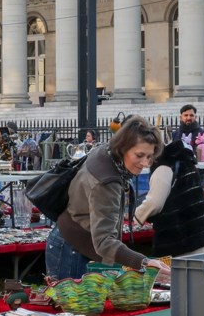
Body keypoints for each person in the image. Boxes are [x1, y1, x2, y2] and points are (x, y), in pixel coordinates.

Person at [46, 115, 171, 282]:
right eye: (139, 155)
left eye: (149, 156)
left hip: (71, 240)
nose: (146, 163)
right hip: (73, 248)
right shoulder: (106, 181)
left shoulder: (108, 153)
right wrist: (144, 262)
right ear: (124, 148)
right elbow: (104, 242)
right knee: (75, 307)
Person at [134, 140, 204, 257]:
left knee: (183, 273)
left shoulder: (164, 167)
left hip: (182, 239)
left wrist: (136, 216)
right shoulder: (183, 160)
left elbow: (154, 203)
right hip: (198, 232)